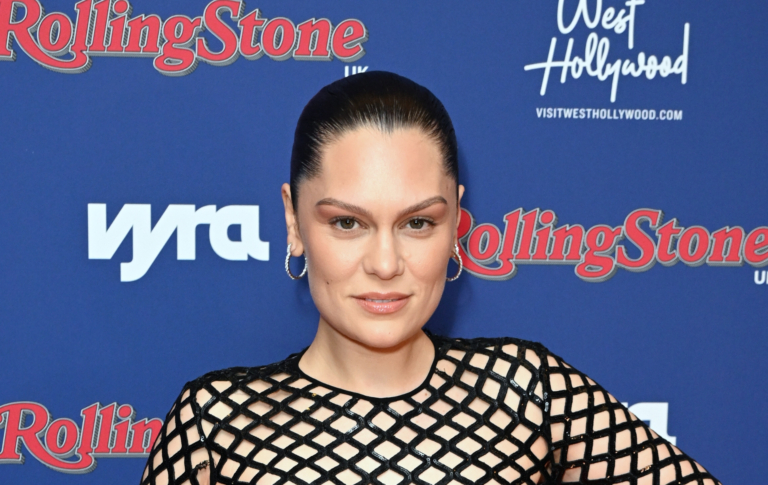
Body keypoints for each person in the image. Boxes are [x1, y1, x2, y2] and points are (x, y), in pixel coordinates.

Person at [139, 71, 720, 485]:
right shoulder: (214, 424)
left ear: (455, 222)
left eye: (418, 221)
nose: (386, 263)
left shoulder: (527, 392)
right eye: (347, 222)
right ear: (294, 220)